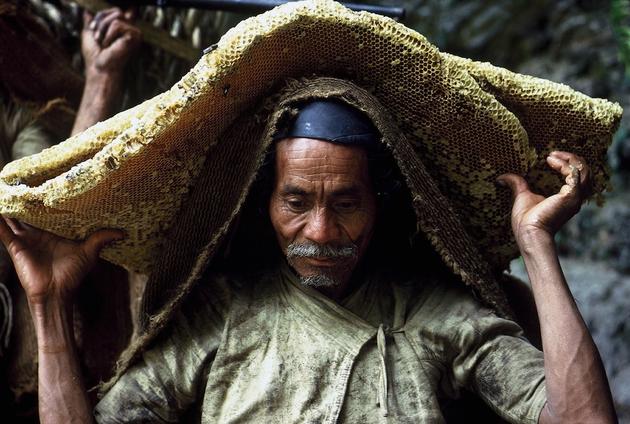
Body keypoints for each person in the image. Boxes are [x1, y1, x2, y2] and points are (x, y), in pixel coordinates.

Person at [0, 1, 621, 422]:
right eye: (296, 202)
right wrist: (48, 308)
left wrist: (537, 247)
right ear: (262, 201)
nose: (320, 233)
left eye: (346, 203)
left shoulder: (437, 315)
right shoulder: (219, 318)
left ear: (380, 203)